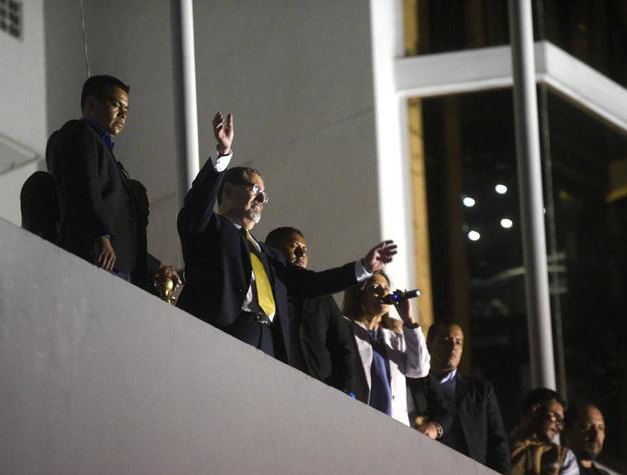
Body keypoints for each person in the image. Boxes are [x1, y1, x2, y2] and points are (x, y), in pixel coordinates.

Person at [176, 112, 397, 362]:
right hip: (225, 330)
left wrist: (364, 267)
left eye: (265, 194)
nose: (262, 198)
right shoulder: (209, 228)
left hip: (269, 341)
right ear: (227, 191)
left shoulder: (269, 254)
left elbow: (311, 283)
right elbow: (196, 205)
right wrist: (223, 154)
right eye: (255, 189)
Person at [46, 74, 179, 290]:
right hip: (95, 256)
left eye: (126, 109)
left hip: (117, 265)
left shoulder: (109, 155)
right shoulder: (79, 133)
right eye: (117, 105)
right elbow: (84, 188)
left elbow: (121, 229)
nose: (123, 114)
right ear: (91, 105)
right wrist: (100, 235)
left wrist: (155, 267)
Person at [265, 227, 357, 393]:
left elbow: (343, 346)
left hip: (320, 389)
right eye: (293, 246)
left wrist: (344, 390)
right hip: (275, 383)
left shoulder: (322, 298)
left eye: (305, 249)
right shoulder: (265, 287)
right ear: (273, 250)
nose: (301, 254)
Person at [410, 321, 510, 474]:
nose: (453, 347)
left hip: (473, 474)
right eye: (445, 340)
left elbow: (497, 441)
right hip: (429, 470)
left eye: (458, 342)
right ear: (429, 343)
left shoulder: (481, 391)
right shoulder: (413, 384)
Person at [342, 271, 431, 426]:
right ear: (358, 294)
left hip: (394, 423)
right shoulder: (345, 328)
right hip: (358, 420)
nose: (383, 293)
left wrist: (409, 321)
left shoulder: (396, 334)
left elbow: (419, 370)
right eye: (375, 288)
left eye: (386, 288)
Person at [509, 388, 579, 475]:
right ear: (536, 410)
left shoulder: (563, 456)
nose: (559, 427)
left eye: (561, 422)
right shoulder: (503, 445)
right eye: (556, 418)